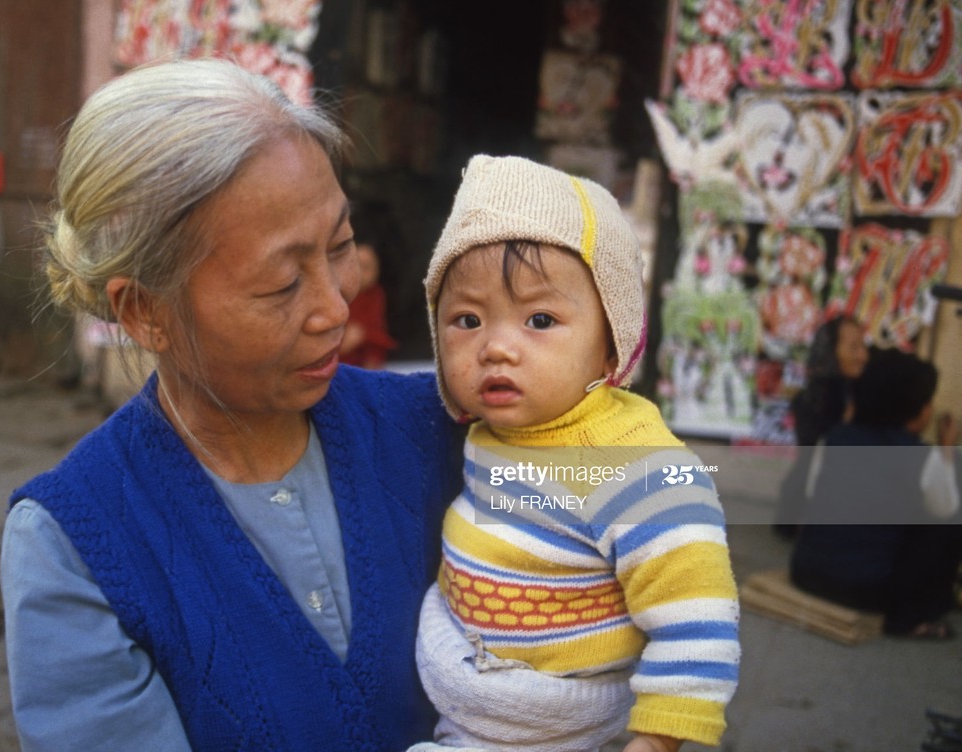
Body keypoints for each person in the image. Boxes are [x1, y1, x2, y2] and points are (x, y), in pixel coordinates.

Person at [0, 58, 462, 751]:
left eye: (340, 247)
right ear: (146, 311)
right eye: (281, 285)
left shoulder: (437, 430)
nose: (334, 308)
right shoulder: (73, 544)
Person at [414, 155, 740, 752]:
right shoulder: (496, 429)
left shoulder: (636, 466)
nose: (496, 347)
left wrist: (657, 741)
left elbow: (698, 620)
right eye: (466, 319)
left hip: (549, 725)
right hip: (469, 691)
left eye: (539, 318)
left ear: (609, 348)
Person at [790, 348, 961, 639]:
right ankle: (910, 619)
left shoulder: (834, 438)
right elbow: (945, 509)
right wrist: (946, 451)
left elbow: (811, 495)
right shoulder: (922, 456)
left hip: (806, 573)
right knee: (949, 521)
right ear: (914, 409)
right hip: (867, 593)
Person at [773, 315, 868, 537]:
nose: (864, 355)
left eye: (863, 346)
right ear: (830, 352)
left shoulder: (848, 390)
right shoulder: (823, 399)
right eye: (854, 348)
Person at [339, 242, 397, 368]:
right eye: (356, 265)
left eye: (366, 267)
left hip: (365, 354)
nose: (360, 272)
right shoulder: (337, 293)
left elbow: (376, 328)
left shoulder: (376, 294)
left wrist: (362, 335)